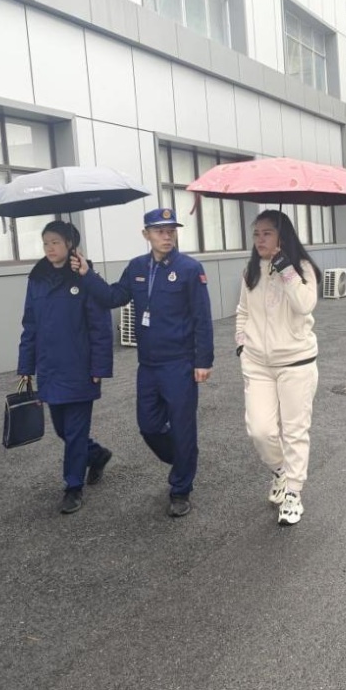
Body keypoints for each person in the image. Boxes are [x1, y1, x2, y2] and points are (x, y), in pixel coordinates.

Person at [71, 208, 214, 518]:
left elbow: (202, 317)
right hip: (148, 365)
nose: (167, 236)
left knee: (183, 427)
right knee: (148, 426)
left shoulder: (190, 269)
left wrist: (203, 360)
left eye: (171, 230)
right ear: (146, 234)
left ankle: (181, 489)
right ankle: (183, 458)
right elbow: (114, 297)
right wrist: (86, 274)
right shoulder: (136, 267)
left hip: (179, 363)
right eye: (160, 231)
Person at [18, 221, 114, 514]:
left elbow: (100, 327)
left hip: (80, 367)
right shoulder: (37, 279)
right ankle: (96, 454)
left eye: (56, 242)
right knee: (62, 428)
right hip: (50, 368)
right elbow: (30, 324)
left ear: (70, 244)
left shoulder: (85, 277)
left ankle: (73, 487)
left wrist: (99, 367)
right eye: (45, 242)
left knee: (74, 432)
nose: (49, 248)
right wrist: (26, 365)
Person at [235, 210, 321, 526]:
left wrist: (285, 267)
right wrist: (242, 343)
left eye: (267, 233)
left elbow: (304, 305)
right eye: (256, 234)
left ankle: (293, 493)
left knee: (295, 430)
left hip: (296, 362)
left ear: (282, 236)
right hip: (257, 363)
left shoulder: (303, 268)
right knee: (260, 430)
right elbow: (242, 310)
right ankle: (281, 471)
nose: (260, 239)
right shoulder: (251, 271)